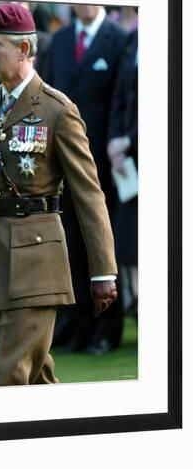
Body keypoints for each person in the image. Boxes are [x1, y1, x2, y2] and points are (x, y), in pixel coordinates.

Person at [0, 3, 118, 386]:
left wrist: (103, 271)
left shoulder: (57, 110)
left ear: (24, 50)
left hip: (37, 268)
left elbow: (89, 195)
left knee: (8, 378)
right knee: (36, 380)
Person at [47, 4, 128, 354]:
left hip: (100, 165)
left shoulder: (119, 39)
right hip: (62, 163)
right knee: (70, 248)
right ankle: (78, 328)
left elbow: (120, 101)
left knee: (102, 246)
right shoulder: (62, 39)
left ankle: (107, 330)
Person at [107, 27, 138, 318]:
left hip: (154, 155)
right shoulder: (133, 40)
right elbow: (118, 96)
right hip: (127, 165)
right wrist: (115, 142)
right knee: (129, 246)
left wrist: (129, 139)